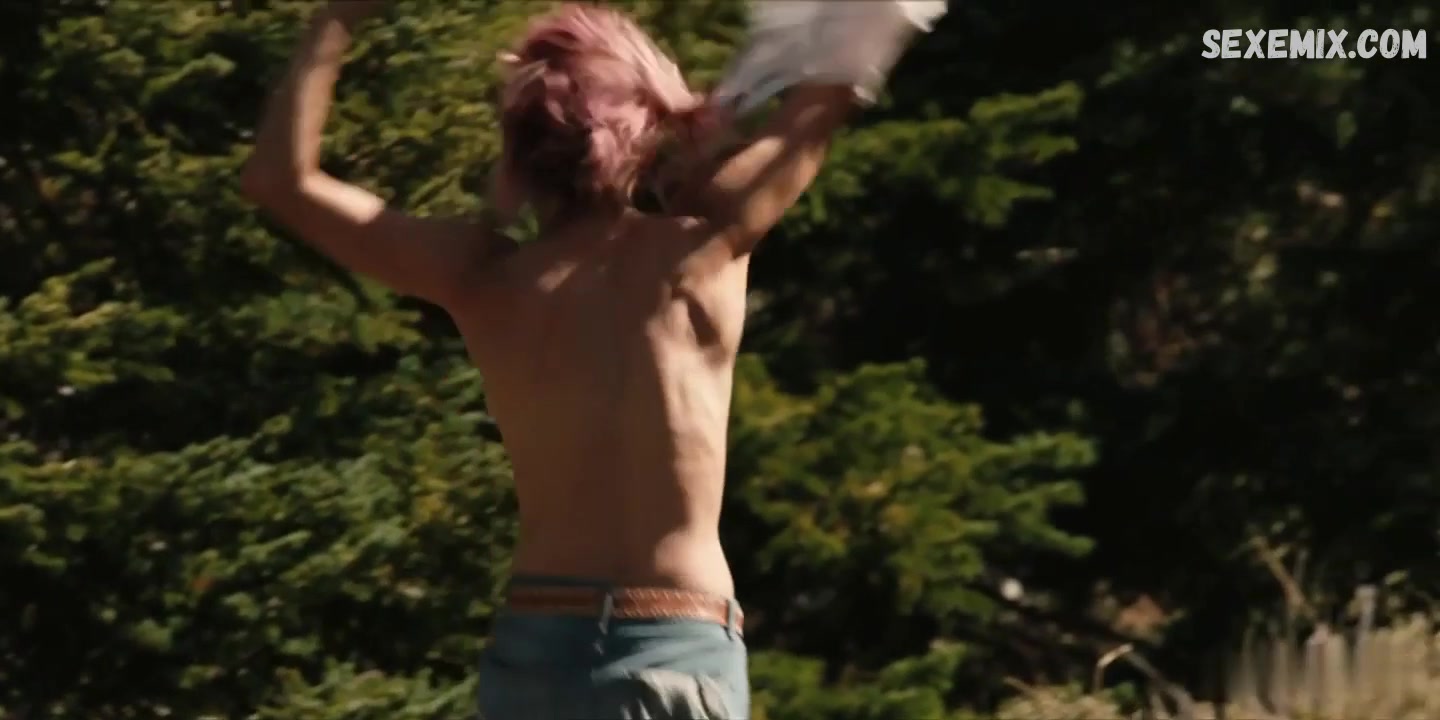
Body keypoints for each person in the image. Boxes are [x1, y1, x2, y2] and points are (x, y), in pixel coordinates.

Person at [240, 1, 939, 717]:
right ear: (644, 126)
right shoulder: (703, 246)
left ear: (520, 143)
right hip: (668, 641)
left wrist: (338, 17)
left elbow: (280, 179)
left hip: (533, 646)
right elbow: (832, 84)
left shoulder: (480, 276)